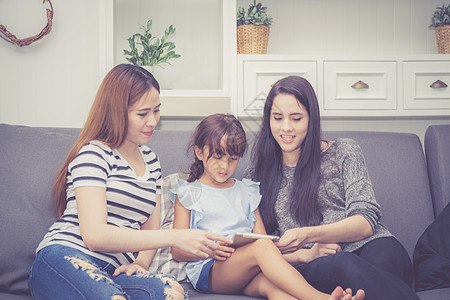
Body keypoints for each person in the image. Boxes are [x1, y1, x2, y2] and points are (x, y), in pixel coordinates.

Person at [28, 64, 232, 300]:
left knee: (171, 292)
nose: (153, 121)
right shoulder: (93, 154)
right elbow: (95, 236)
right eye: (142, 114)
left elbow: (150, 230)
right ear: (117, 112)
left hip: (116, 272)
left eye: (156, 111)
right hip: (65, 258)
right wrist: (177, 236)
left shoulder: (151, 161)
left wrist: (141, 263)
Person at [246, 75, 420, 299]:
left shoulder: (345, 151)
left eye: (296, 118)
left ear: (311, 119)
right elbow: (261, 251)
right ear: (268, 120)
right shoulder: (256, 175)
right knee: (344, 265)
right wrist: (305, 252)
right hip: (315, 263)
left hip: (371, 245)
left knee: (390, 260)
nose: (286, 128)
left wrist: (306, 235)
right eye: (277, 118)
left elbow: (365, 222)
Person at [170, 113, 365, 300]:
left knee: (276, 288)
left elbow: (266, 245)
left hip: (247, 268)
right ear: (199, 152)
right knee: (262, 247)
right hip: (211, 269)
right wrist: (210, 250)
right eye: (218, 157)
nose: (225, 167)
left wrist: (304, 254)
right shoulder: (189, 192)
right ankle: (320, 298)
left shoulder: (247, 190)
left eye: (232, 159)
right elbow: (177, 251)